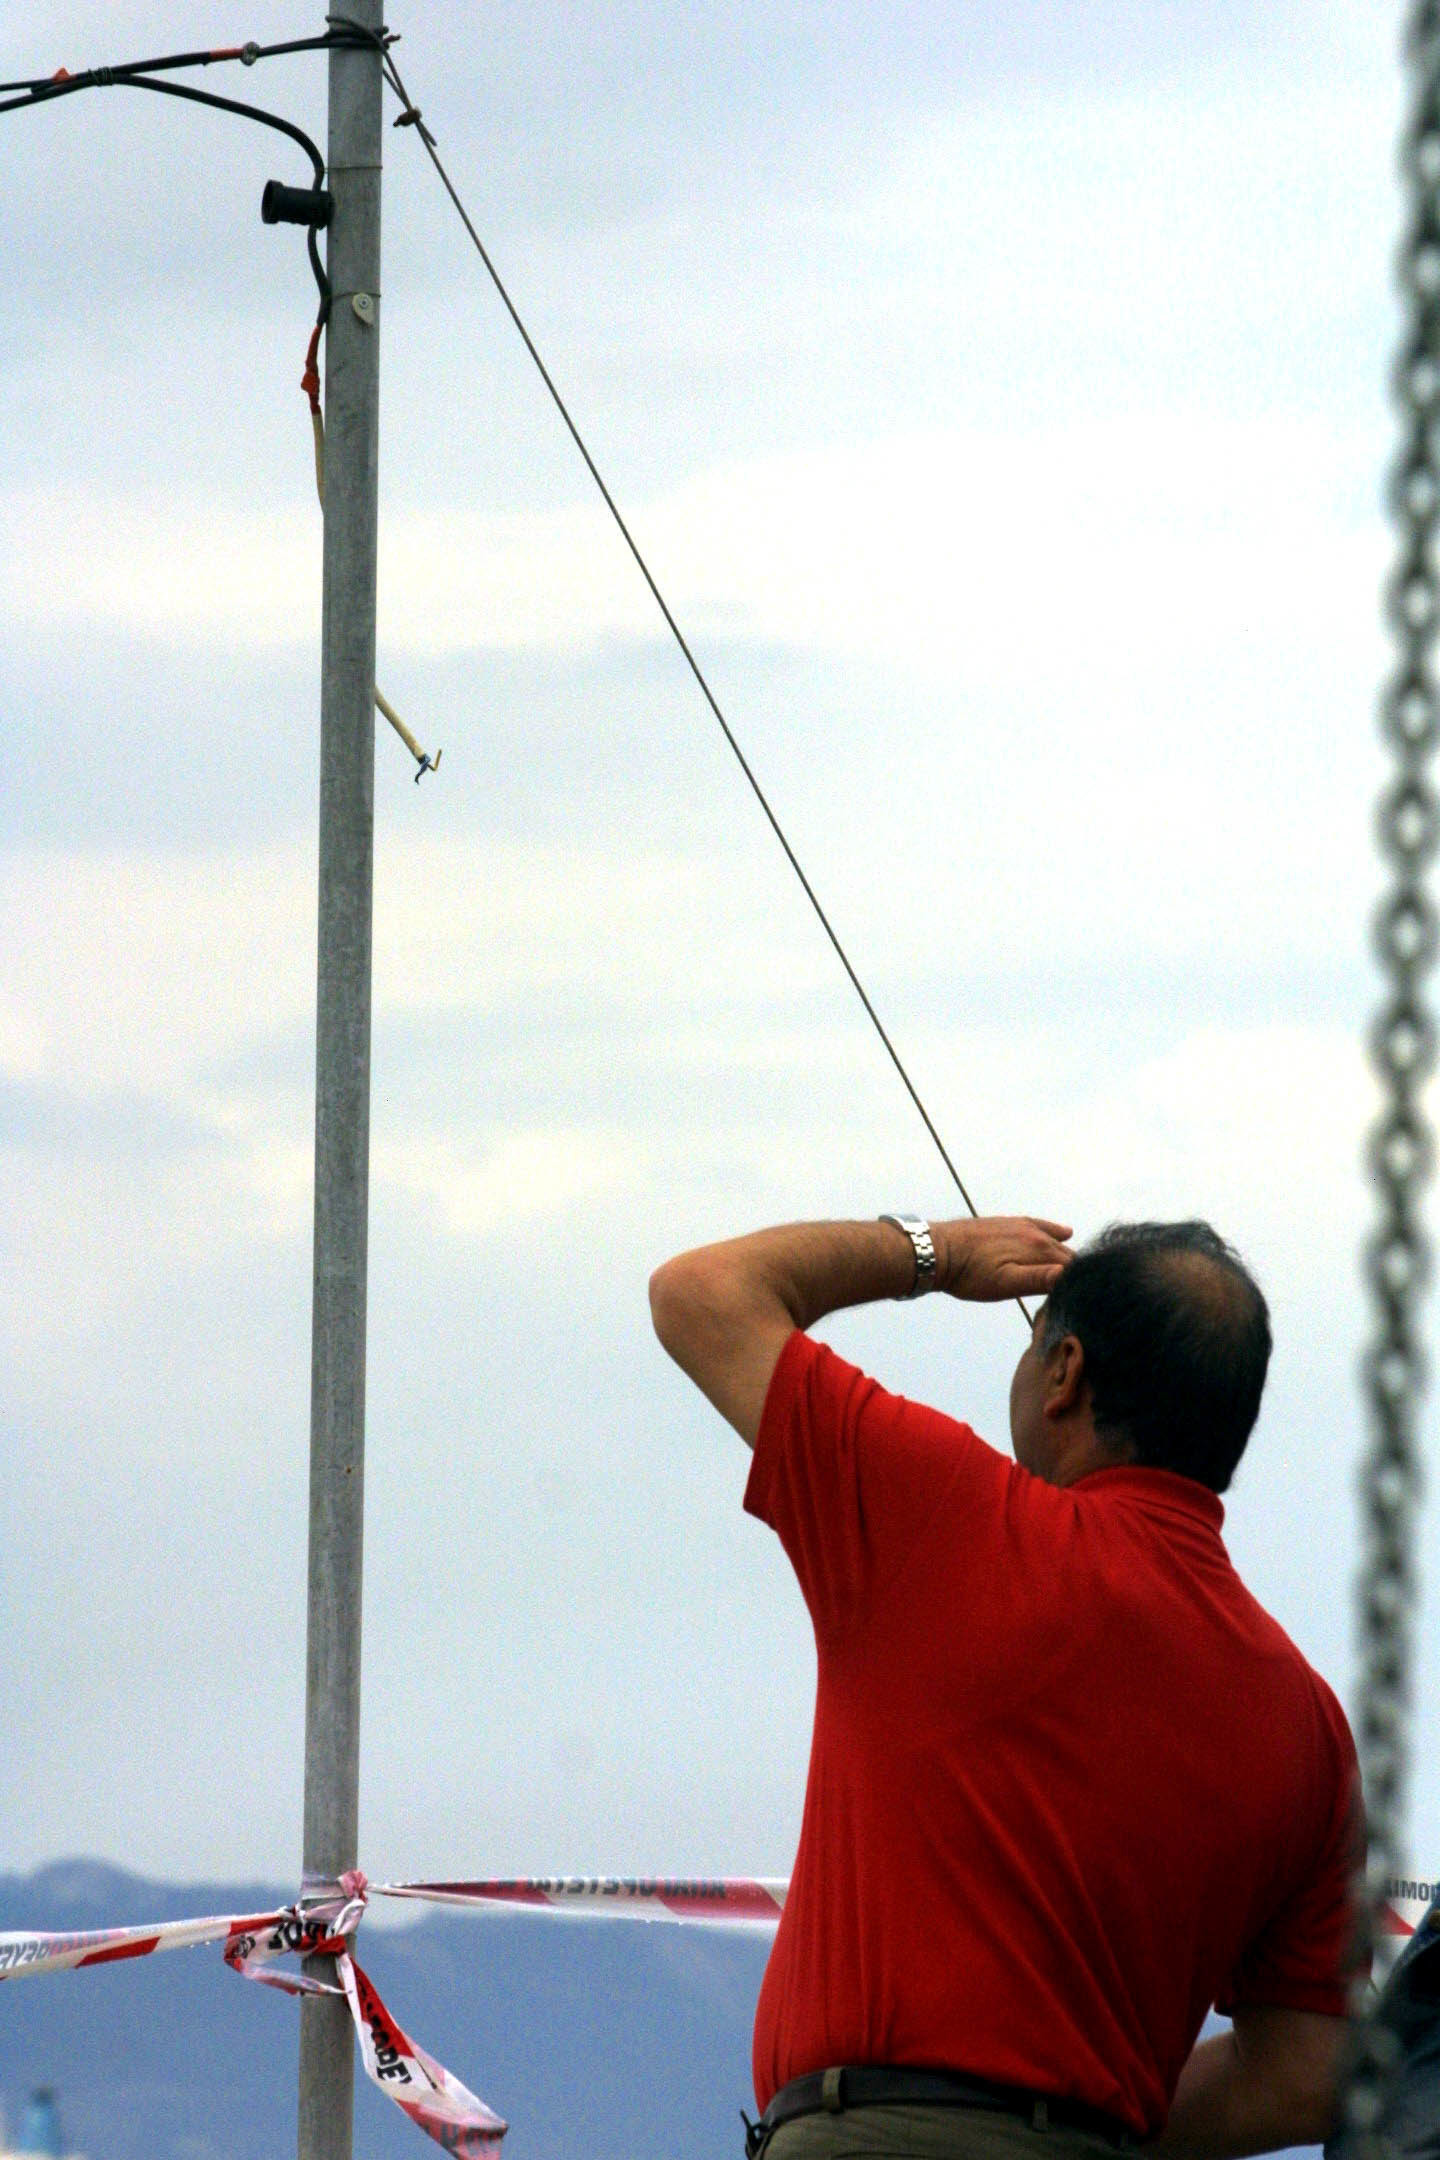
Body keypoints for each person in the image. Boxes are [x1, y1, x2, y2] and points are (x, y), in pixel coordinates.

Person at [649, 1212, 1363, 2160]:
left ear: (1065, 1374)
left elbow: (700, 1293)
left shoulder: (949, 1515)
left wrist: (934, 1254)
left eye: (1033, 1344)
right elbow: (1306, 2074)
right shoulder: (1308, 1725)